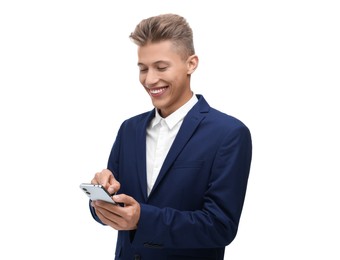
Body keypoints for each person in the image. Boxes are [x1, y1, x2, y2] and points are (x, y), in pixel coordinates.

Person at [89, 13, 252, 260]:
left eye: (161, 67)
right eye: (143, 68)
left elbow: (221, 226)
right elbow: (118, 211)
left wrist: (142, 218)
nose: (150, 79)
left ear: (191, 64)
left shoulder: (229, 133)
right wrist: (102, 198)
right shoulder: (129, 129)